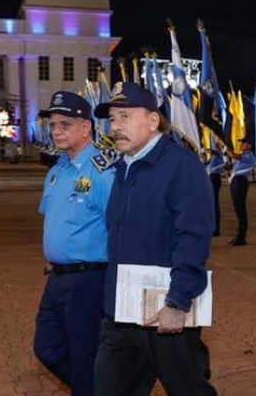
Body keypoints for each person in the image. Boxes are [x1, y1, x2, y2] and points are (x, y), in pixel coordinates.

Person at [92, 82, 217, 395]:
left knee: (189, 389)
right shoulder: (122, 167)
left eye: (124, 116)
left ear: (152, 121)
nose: (115, 126)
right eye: (112, 119)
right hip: (120, 313)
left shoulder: (181, 167)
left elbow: (192, 237)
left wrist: (177, 301)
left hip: (166, 313)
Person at [33, 91, 115, 396]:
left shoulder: (102, 172)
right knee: (47, 347)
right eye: (53, 124)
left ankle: (95, 387)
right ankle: (103, 387)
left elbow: (119, 227)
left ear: (86, 127)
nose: (56, 130)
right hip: (56, 277)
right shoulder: (57, 171)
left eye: (64, 124)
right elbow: (54, 218)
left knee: (83, 355)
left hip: (88, 279)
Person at [226, 137, 255, 246]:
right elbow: (232, 161)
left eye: (244, 143)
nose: (241, 144)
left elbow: (234, 156)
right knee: (237, 208)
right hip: (235, 181)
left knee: (241, 209)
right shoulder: (242, 155)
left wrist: (226, 148)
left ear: (249, 145)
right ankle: (239, 235)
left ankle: (241, 236)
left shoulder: (248, 155)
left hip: (240, 182)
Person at [206, 148, 225, 237]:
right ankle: (213, 226)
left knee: (214, 203)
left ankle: (216, 228)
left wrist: (207, 150)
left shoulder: (219, 154)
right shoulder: (212, 157)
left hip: (215, 178)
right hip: (210, 178)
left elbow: (217, 152)